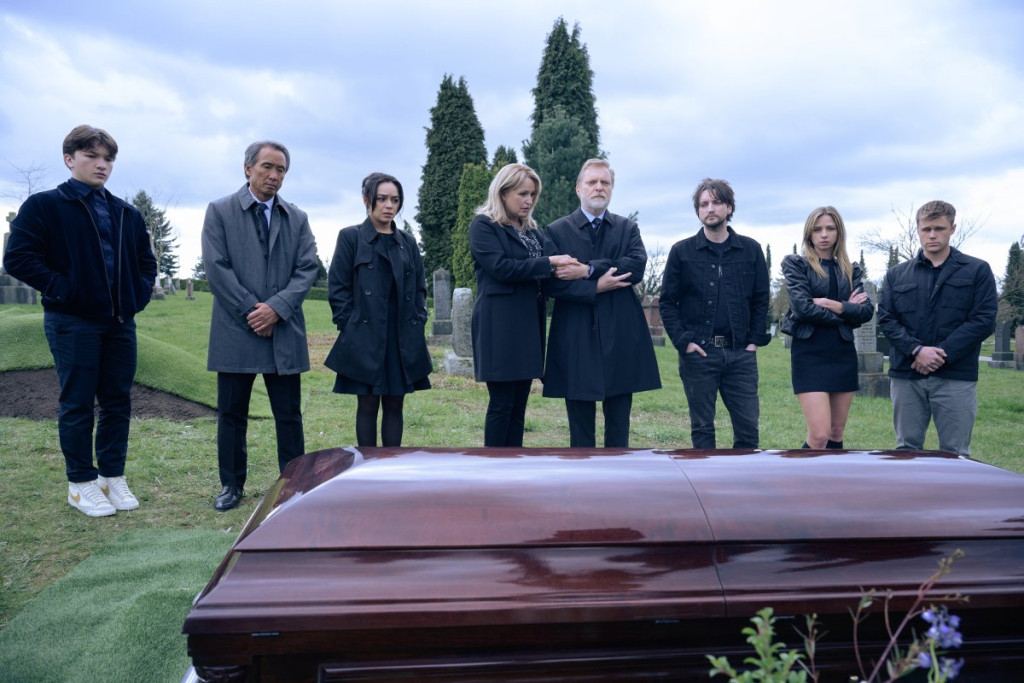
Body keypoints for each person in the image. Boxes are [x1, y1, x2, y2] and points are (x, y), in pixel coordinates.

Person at [4, 125, 157, 517]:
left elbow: (146, 263)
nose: (101, 164)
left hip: (120, 323)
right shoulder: (45, 206)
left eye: (108, 159)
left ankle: (111, 476)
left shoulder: (126, 213)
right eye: (92, 156)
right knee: (77, 402)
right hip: (72, 321)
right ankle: (81, 484)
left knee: (118, 401)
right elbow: (18, 257)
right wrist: (65, 289)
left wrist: (136, 298)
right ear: (69, 159)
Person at [202, 140, 318, 511]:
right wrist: (253, 311)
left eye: (281, 169)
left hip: (282, 331)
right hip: (236, 329)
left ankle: (293, 486)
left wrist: (276, 309)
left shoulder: (297, 217)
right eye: (267, 166)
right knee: (232, 414)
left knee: (289, 415)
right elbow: (216, 267)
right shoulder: (220, 211)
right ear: (247, 168)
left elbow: (307, 268)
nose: (274, 175)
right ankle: (231, 485)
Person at [542, 158, 661, 448]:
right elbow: (552, 283)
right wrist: (597, 286)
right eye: (592, 182)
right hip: (575, 333)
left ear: (611, 188)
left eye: (605, 182)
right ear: (578, 189)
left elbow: (635, 267)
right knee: (580, 429)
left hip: (620, 332)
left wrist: (587, 270)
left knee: (619, 426)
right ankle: (583, 474)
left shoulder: (627, 228)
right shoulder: (556, 231)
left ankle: (617, 474)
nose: (599, 187)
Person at [468, 163, 581, 447]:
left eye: (532, 194)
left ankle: (514, 463)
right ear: (502, 193)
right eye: (522, 194)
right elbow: (502, 268)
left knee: (519, 405)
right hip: (500, 327)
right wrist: (549, 262)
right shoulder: (484, 226)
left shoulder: (532, 231)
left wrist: (582, 273)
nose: (529, 200)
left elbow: (548, 271)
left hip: (529, 325)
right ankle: (494, 465)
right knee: (502, 403)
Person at [877, 200, 997, 457]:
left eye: (939, 229)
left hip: (956, 374)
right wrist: (916, 350)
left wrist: (940, 354)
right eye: (926, 229)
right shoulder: (897, 274)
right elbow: (887, 319)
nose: (932, 235)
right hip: (907, 374)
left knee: (956, 454)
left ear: (952, 228)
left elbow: (983, 319)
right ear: (918, 230)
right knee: (906, 452)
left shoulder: (977, 270)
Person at [659, 178, 770, 449]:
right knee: (702, 430)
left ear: (729, 207)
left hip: (740, 354)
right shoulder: (681, 252)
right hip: (700, 354)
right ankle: (703, 478)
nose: (710, 208)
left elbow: (761, 299)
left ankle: (743, 477)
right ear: (698, 210)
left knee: (748, 431)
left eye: (717, 202)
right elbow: (668, 303)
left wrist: (753, 342)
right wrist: (684, 342)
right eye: (704, 204)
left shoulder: (751, 250)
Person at [325, 173, 432, 447]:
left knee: (395, 404)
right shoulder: (350, 237)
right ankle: (367, 466)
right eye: (382, 199)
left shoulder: (407, 242)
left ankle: (392, 466)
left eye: (394, 200)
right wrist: (349, 324)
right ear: (366, 200)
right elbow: (338, 287)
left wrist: (418, 318)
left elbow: (419, 286)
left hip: (400, 337)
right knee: (368, 403)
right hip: (365, 334)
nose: (389, 205)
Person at [781, 207, 874, 449]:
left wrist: (831, 304)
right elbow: (803, 309)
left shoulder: (851, 270)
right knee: (819, 435)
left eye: (830, 229)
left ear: (839, 232)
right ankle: (801, 475)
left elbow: (866, 311)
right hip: (809, 353)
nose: (824, 234)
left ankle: (833, 476)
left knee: (835, 433)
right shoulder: (797, 265)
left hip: (842, 352)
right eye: (817, 229)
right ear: (809, 234)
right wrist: (847, 312)